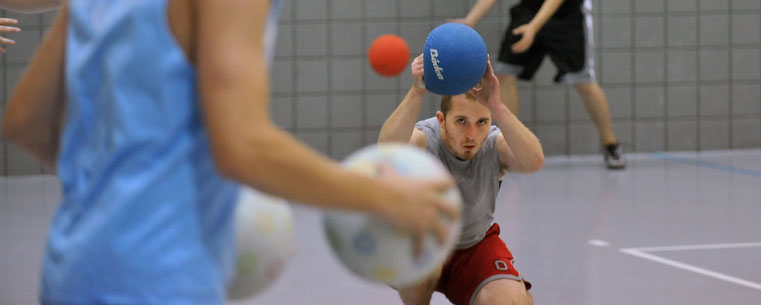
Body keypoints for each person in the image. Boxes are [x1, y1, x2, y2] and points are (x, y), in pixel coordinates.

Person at [1, 0, 459, 303]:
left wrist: (120, 186)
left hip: (71, 270)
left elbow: (25, 120)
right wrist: (383, 197)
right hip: (157, 278)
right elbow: (241, 146)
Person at [379, 54, 543, 305]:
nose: (472, 134)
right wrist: (417, 91)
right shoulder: (426, 138)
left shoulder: (492, 143)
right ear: (442, 120)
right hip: (422, 240)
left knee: (514, 301)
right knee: (422, 267)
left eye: (481, 122)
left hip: (473, 245)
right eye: (461, 121)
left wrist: (498, 106)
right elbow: (388, 149)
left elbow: (533, 162)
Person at [452, 0, 626, 169]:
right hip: (529, 10)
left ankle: (610, 144)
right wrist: (470, 20)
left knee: (584, 83)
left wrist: (534, 27)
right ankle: (509, 146)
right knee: (504, 75)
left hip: (566, 16)